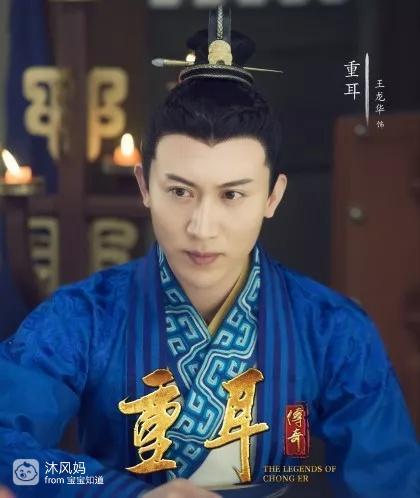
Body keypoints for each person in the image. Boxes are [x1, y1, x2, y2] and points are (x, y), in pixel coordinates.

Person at [0, 6, 418, 498]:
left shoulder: (332, 328)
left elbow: (391, 482)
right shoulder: (83, 317)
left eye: (232, 194)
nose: (201, 227)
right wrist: (117, 490)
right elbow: (11, 454)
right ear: (145, 186)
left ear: (273, 197)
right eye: (180, 191)